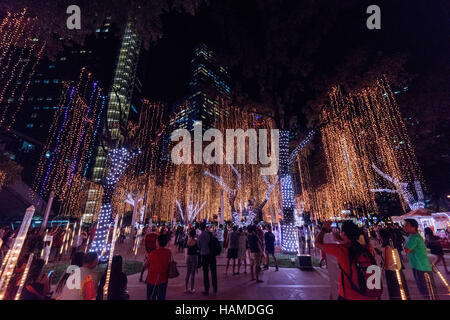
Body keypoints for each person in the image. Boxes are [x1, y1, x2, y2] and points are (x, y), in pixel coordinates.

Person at [316, 220, 379, 300]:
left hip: (349, 295)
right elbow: (351, 244)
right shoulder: (366, 248)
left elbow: (317, 243)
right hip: (371, 295)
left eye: (341, 231)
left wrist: (324, 229)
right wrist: (340, 240)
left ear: (343, 234)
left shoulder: (342, 250)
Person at [404, 219, 438, 299]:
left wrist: (404, 244)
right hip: (419, 266)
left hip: (421, 267)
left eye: (406, 225)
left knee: (428, 291)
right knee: (427, 290)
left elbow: (407, 250)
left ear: (413, 227)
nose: (404, 227)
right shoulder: (413, 237)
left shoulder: (414, 237)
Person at [142, 235, 172, 300]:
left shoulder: (153, 253)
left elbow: (146, 265)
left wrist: (145, 260)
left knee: (151, 297)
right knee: (161, 297)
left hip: (152, 279)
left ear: (157, 242)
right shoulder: (168, 252)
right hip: (163, 279)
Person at [197, 222, 217, 295]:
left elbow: (198, 246)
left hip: (204, 255)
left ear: (200, 228)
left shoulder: (200, 236)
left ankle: (207, 289)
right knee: (213, 271)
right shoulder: (209, 234)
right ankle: (215, 288)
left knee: (205, 272)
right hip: (211, 254)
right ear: (205, 227)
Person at [185, 229, 198, 293]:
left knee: (188, 273)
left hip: (188, 256)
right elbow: (198, 248)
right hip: (194, 257)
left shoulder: (188, 241)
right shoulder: (195, 241)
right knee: (193, 273)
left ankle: (186, 288)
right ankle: (192, 288)